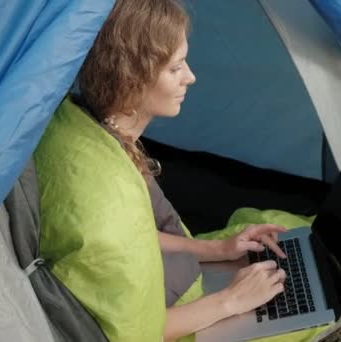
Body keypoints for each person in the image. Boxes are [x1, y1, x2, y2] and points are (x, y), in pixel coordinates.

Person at [61, 0, 289, 340]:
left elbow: (137, 236)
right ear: (130, 78)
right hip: (177, 324)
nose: (191, 77)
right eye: (175, 68)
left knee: (288, 235)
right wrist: (230, 300)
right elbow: (134, 332)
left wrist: (220, 250)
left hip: (179, 278)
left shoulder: (96, 131)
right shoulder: (103, 196)